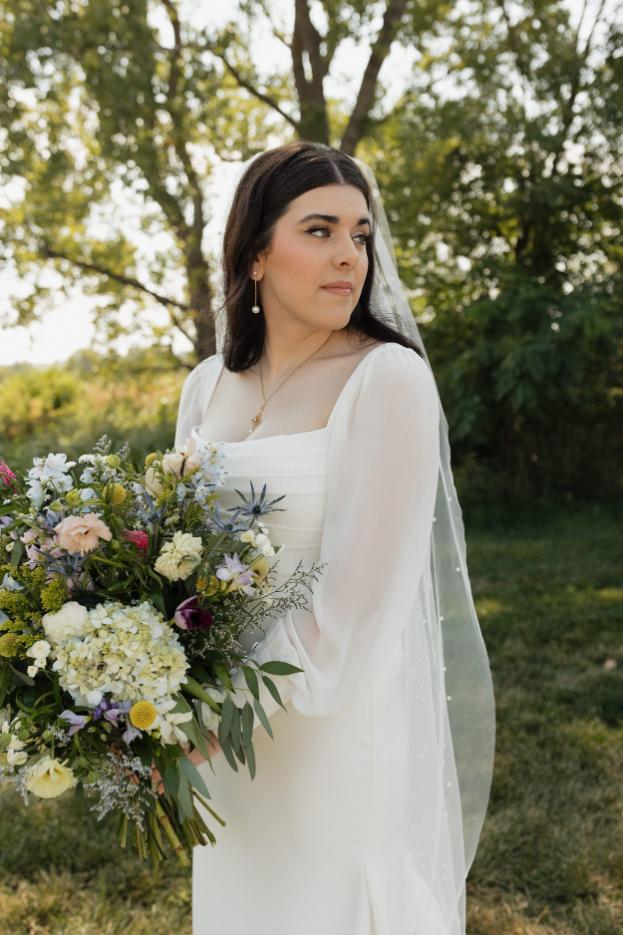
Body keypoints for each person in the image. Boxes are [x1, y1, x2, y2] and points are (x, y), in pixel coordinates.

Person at [172, 140, 496, 934]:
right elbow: (172, 560)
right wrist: (154, 697)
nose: (348, 255)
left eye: (359, 234)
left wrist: (214, 711)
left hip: (323, 725)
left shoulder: (386, 378)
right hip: (217, 742)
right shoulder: (207, 384)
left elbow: (353, 604)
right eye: (318, 230)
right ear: (254, 254)